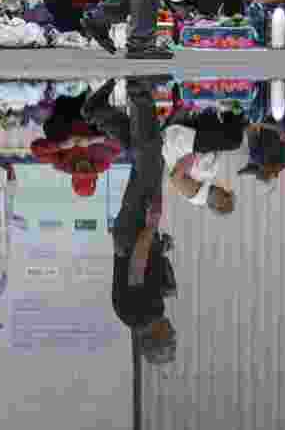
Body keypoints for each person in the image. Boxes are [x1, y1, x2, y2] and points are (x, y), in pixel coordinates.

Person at [83, 77, 176, 365]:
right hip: (130, 237)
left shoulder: (146, 314)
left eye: (170, 338)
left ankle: (139, 91)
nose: (174, 332)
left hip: (135, 235)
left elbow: (137, 267)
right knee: (144, 159)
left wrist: (151, 224)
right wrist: (161, 248)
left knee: (150, 158)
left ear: (157, 337)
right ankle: (98, 112)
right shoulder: (132, 318)